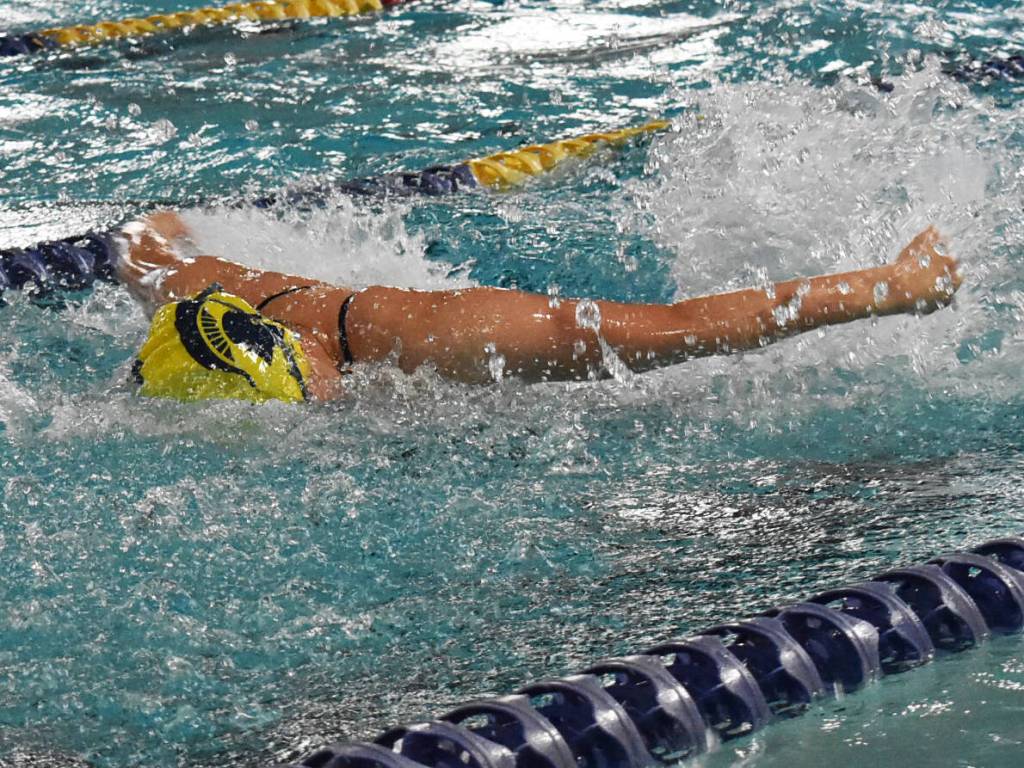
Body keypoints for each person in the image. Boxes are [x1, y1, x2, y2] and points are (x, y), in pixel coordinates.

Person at [120, 211, 962, 403]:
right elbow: (144, 239)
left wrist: (889, 288)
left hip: (418, 321)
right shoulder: (194, 297)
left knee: (657, 337)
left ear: (297, 370)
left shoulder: (442, 343)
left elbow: (685, 326)